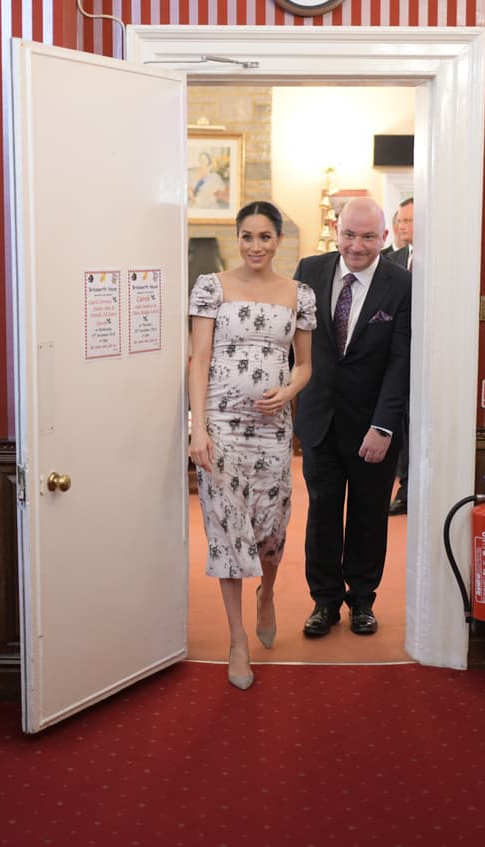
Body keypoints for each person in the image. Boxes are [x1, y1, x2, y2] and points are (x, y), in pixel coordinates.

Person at [188, 201, 315, 689]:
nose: (255, 246)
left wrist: (289, 389)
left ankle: (268, 593)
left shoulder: (299, 294)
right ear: (236, 238)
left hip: (272, 431)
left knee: (270, 530)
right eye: (247, 236)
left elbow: (305, 364)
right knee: (227, 528)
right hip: (220, 427)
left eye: (264, 237)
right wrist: (198, 428)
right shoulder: (211, 286)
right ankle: (237, 640)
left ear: (278, 240)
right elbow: (199, 359)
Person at [292, 196, 411, 638]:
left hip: (373, 426)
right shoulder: (309, 270)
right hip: (320, 420)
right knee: (322, 513)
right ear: (335, 230)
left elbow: (401, 360)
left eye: (367, 237)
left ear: (384, 237)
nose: (356, 246)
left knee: (368, 515)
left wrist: (383, 426)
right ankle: (324, 602)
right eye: (348, 234)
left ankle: (362, 600)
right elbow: (293, 341)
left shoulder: (402, 283)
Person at [387, 196, 414, 515]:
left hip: (427, 358)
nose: (401, 226)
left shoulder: (439, 259)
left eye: (408, 221)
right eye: (400, 221)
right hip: (394, 355)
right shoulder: (390, 260)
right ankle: (404, 486)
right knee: (400, 422)